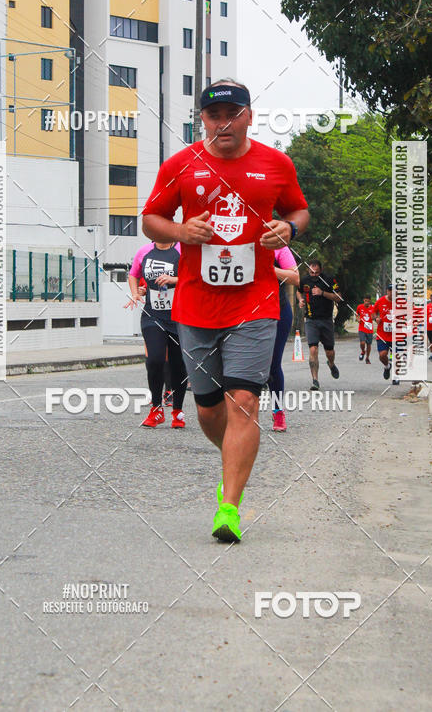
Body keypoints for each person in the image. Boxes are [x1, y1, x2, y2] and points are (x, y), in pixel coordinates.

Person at [142, 79, 309, 543]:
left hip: (256, 304)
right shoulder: (180, 165)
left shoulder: (275, 164)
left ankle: (230, 507)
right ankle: (235, 460)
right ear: (203, 120)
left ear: (249, 116)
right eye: (214, 116)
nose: (224, 123)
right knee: (208, 411)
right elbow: (150, 219)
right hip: (196, 305)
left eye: (233, 114)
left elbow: (299, 210)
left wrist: (288, 229)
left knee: (245, 403)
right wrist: (180, 231)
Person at [127, 241, 187, 428]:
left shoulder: (183, 249)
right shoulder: (144, 251)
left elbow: (195, 276)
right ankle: (156, 409)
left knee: (178, 365)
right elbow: (133, 274)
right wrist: (135, 293)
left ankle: (177, 411)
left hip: (179, 316)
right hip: (152, 315)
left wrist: (174, 280)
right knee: (155, 360)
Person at [267, 246, 299, 432]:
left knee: (273, 364)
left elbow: (295, 277)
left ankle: (278, 411)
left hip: (278, 311)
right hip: (247, 312)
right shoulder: (239, 241)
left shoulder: (278, 246)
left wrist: (268, 268)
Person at [297, 261, 341, 391]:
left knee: (329, 351)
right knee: (313, 349)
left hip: (326, 320)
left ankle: (331, 364)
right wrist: (300, 300)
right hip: (311, 320)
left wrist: (323, 293)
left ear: (321, 270)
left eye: (316, 273)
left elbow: (339, 297)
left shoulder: (329, 280)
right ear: (308, 271)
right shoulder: (304, 280)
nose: (314, 275)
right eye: (311, 272)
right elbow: (299, 292)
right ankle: (315, 380)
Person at [373, 284, 400, 384]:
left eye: (394, 291)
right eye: (390, 290)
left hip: (397, 335)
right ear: (387, 291)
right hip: (382, 334)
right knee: (382, 355)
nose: (392, 293)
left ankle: (396, 376)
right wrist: (376, 318)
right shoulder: (380, 301)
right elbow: (373, 313)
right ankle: (387, 366)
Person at [356, 294, 375, 363]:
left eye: (368, 301)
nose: (366, 302)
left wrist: (373, 316)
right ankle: (363, 351)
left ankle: (367, 358)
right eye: (365, 301)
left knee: (369, 344)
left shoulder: (372, 308)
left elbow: (374, 317)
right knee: (362, 342)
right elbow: (357, 315)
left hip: (369, 328)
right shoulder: (359, 307)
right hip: (362, 328)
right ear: (363, 300)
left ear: (370, 301)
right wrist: (358, 319)